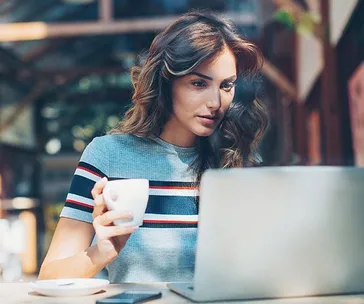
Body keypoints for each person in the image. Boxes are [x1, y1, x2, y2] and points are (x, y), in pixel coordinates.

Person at [38, 10, 268, 283]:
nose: (216, 102)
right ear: (166, 83)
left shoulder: (240, 162)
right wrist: (103, 251)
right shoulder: (107, 156)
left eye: (226, 85)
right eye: (198, 83)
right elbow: (49, 278)